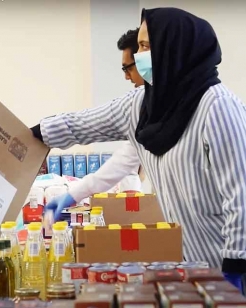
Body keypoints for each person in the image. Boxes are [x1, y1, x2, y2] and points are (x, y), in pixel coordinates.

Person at [31, 7, 246, 293]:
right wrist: (25, 137)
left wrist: (236, 264)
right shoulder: (143, 105)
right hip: (193, 266)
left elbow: (241, 195)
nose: (139, 56)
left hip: (230, 265)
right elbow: (81, 123)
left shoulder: (217, 106)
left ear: (174, 48)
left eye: (145, 46)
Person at [45, 28, 145, 220]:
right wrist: (73, 195)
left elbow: (87, 122)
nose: (126, 77)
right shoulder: (145, 111)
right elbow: (121, 164)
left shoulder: (206, 101)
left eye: (128, 68)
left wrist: (42, 132)